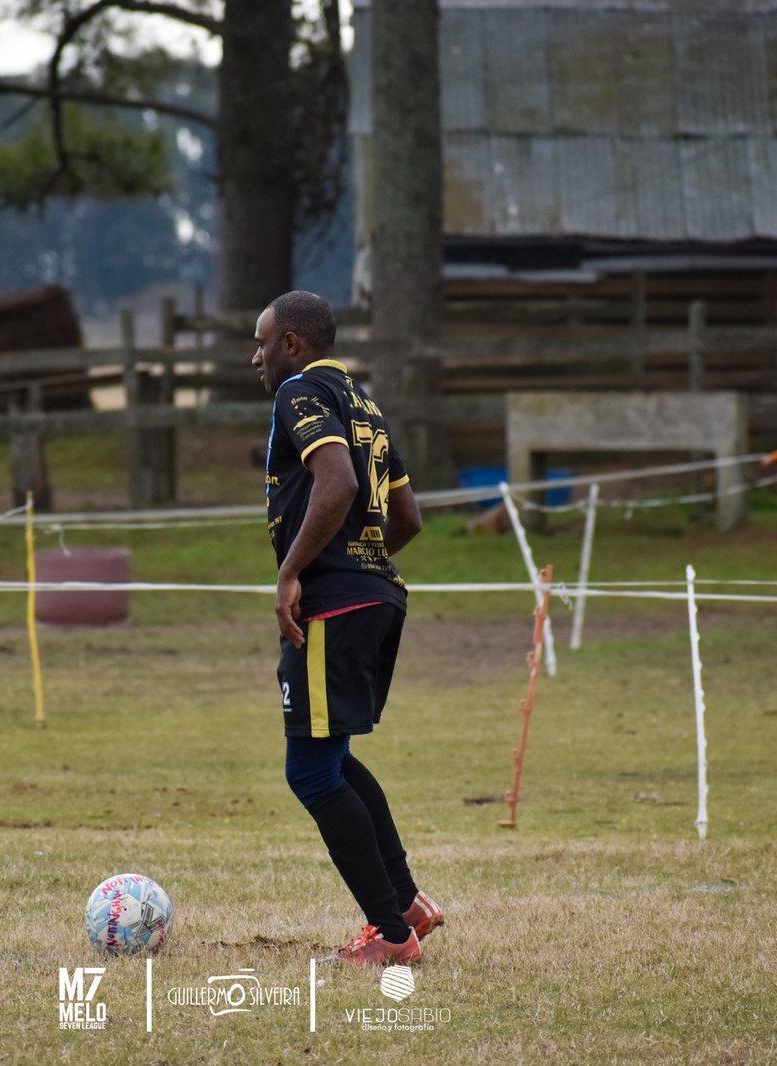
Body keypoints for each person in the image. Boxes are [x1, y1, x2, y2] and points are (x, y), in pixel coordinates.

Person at [251, 290, 443, 967]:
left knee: (310, 771)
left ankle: (391, 933)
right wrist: (364, 564)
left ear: (293, 344)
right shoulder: (364, 404)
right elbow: (408, 517)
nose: (256, 358)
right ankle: (408, 904)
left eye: (263, 343)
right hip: (378, 598)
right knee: (331, 759)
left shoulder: (299, 392)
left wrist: (293, 573)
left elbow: (336, 485)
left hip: (334, 606)